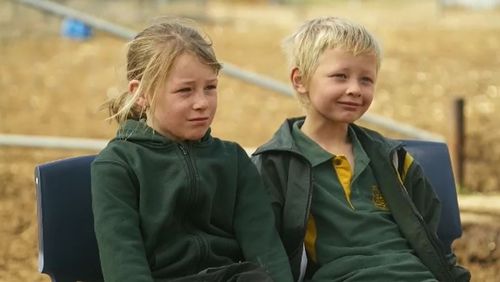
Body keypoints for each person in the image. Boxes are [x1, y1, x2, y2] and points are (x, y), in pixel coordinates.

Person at [251, 17, 470, 282]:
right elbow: (264, 254)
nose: (355, 89)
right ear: (300, 80)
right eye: (340, 76)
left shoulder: (395, 160)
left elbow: (435, 241)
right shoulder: (276, 165)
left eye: (366, 80)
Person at [91, 17, 293, 282]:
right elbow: (123, 263)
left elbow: (266, 249)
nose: (202, 103)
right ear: (141, 93)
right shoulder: (117, 166)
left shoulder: (233, 160)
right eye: (185, 91)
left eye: (210, 88)